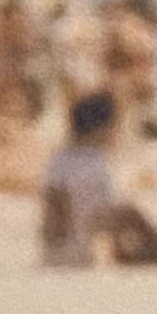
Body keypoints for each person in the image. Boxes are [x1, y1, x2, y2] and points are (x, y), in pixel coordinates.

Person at [38, 91, 121, 270]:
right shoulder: (94, 166)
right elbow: (101, 220)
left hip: (67, 251)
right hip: (76, 253)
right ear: (102, 128)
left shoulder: (60, 160)